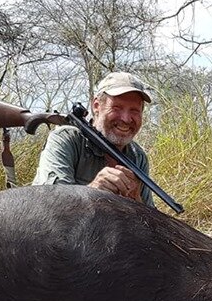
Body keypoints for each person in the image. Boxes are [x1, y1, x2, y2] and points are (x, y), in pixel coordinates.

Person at [31, 71, 155, 208]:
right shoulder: (66, 139)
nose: (125, 119)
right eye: (117, 108)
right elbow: (50, 205)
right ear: (96, 106)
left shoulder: (138, 156)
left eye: (134, 111)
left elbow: (152, 220)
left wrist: (137, 203)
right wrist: (93, 191)